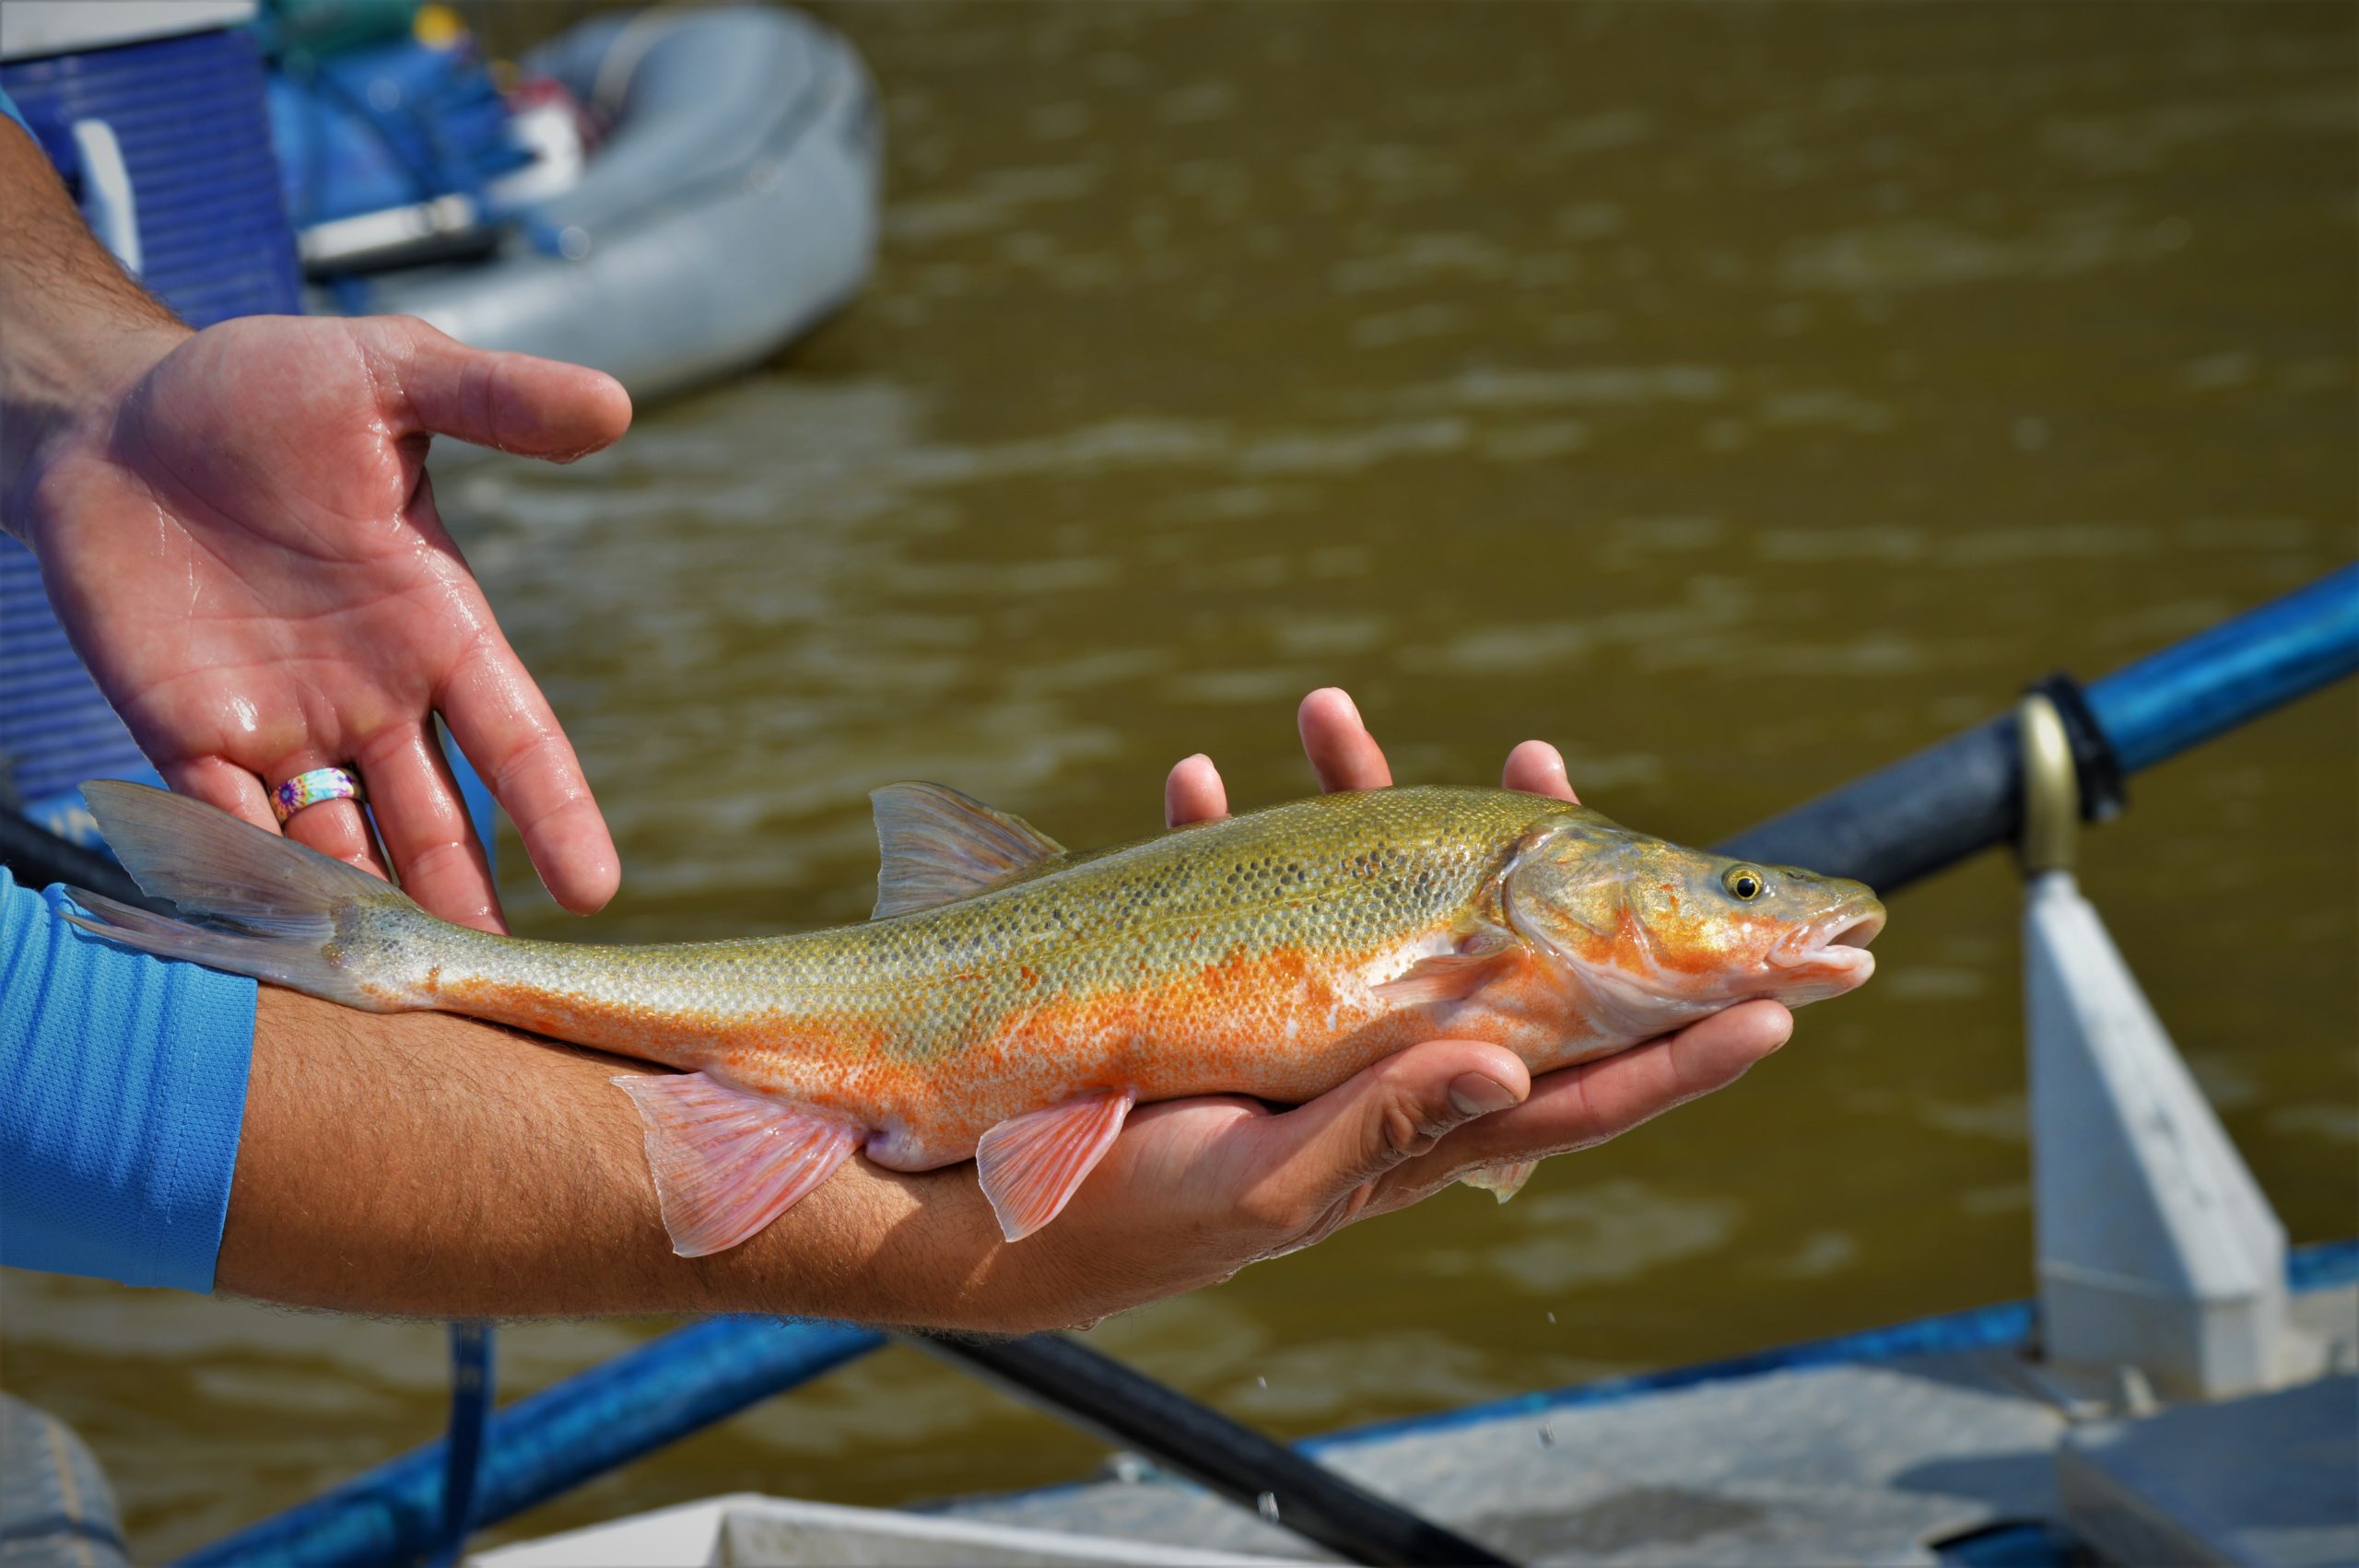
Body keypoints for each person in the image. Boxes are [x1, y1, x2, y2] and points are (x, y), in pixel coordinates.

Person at [0, 93, 1793, 1330]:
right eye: (1727, 893)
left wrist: (95, 392)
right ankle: (400, 952)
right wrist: (938, 1253)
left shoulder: (1513, 924)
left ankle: (395, 951)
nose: (1761, 910)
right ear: (1561, 885)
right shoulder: (1493, 893)